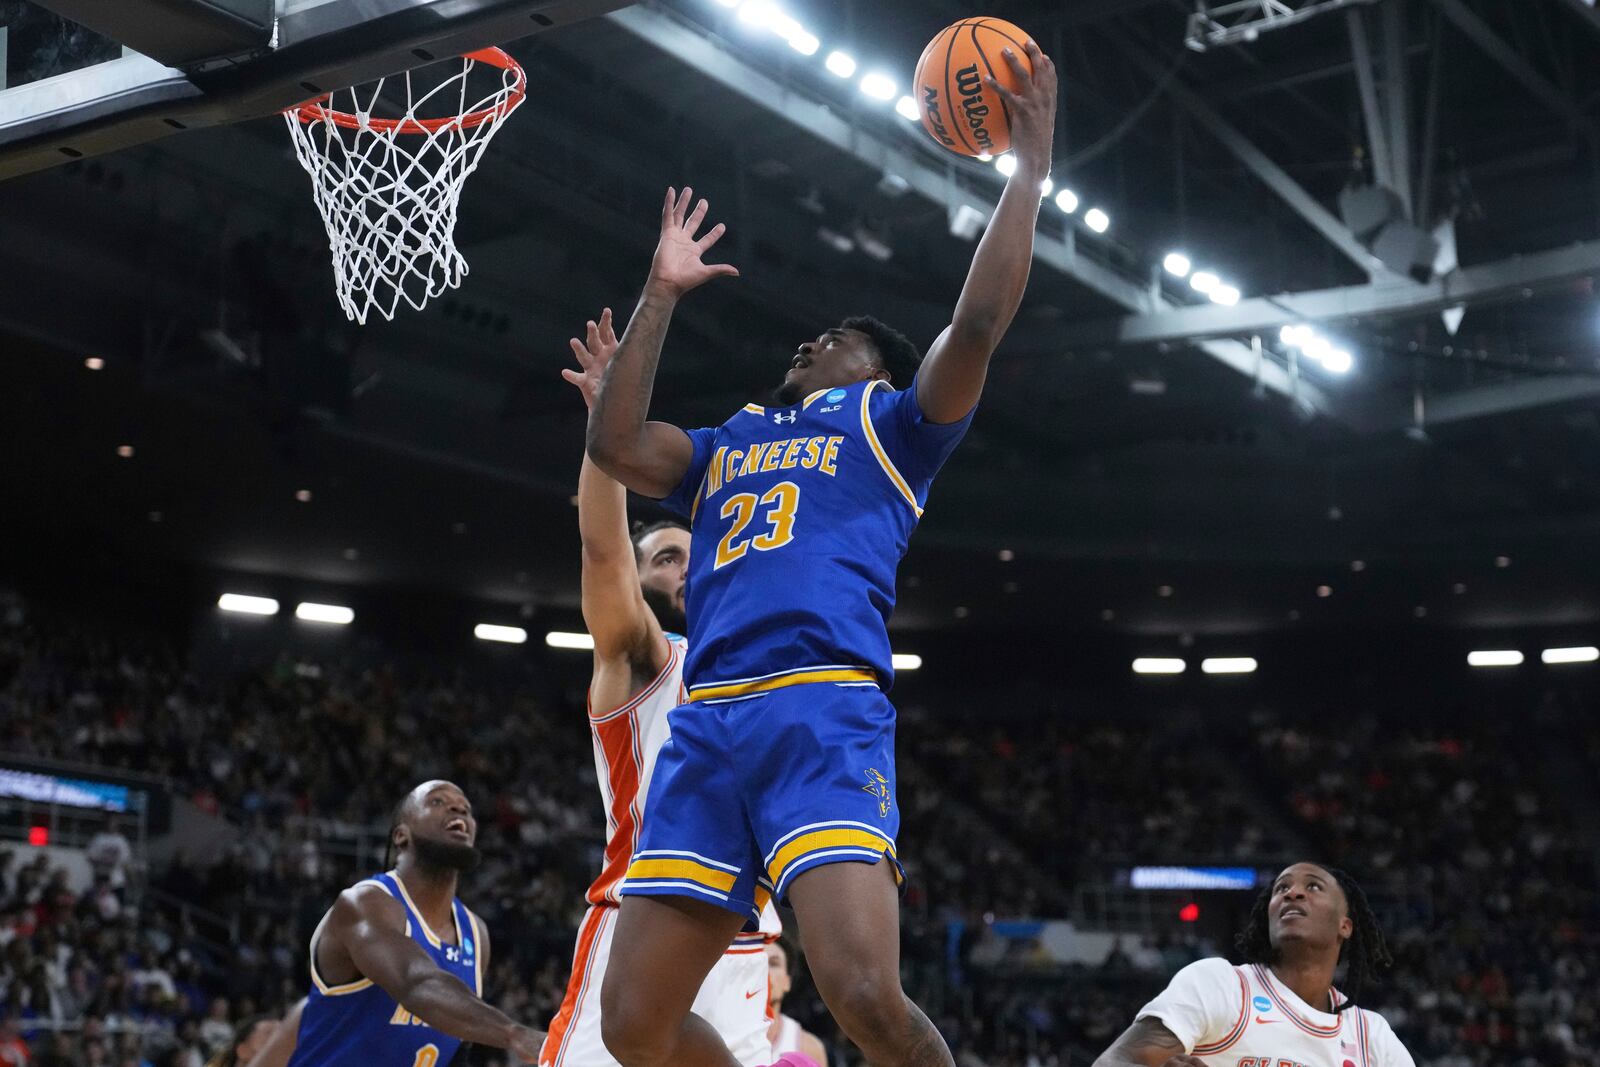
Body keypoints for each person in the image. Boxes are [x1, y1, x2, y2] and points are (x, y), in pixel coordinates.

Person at [584, 38, 1057, 1067]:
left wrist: (1029, 166)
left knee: (861, 995)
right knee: (630, 1025)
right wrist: (660, 294)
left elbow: (976, 320)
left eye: (834, 336)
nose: (807, 343)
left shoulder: (894, 424)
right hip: (709, 723)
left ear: (875, 365)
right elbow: (615, 445)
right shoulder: (723, 443)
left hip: (818, 705)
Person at [541, 314, 773, 1067]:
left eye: (690, 554)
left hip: (739, 952)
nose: (680, 567)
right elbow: (603, 548)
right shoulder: (644, 656)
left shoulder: (766, 670)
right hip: (638, 925)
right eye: (664, 557)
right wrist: (607, 430)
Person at [283, 780, 543, 1067]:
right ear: (401, 836)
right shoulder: (365, 903)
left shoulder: (475, 932)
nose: (458, 807)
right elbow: (416, 984)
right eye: (437, 802)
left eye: (466, 808)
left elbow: (454, 1052)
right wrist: (516, 1034)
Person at [1091, 862, 1416, 1067]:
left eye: (1313, 886)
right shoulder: (1222, 985)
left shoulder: (1370, 1035)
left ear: (1345, 925)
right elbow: (1116, 1060)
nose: (1293, 893)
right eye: (1281, 888)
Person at [763, 940, 826, 1067]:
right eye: (758, 962)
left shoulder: (809, 1047)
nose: (764, 970)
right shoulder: (719, 1037)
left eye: (773, 964)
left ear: (787, 982)